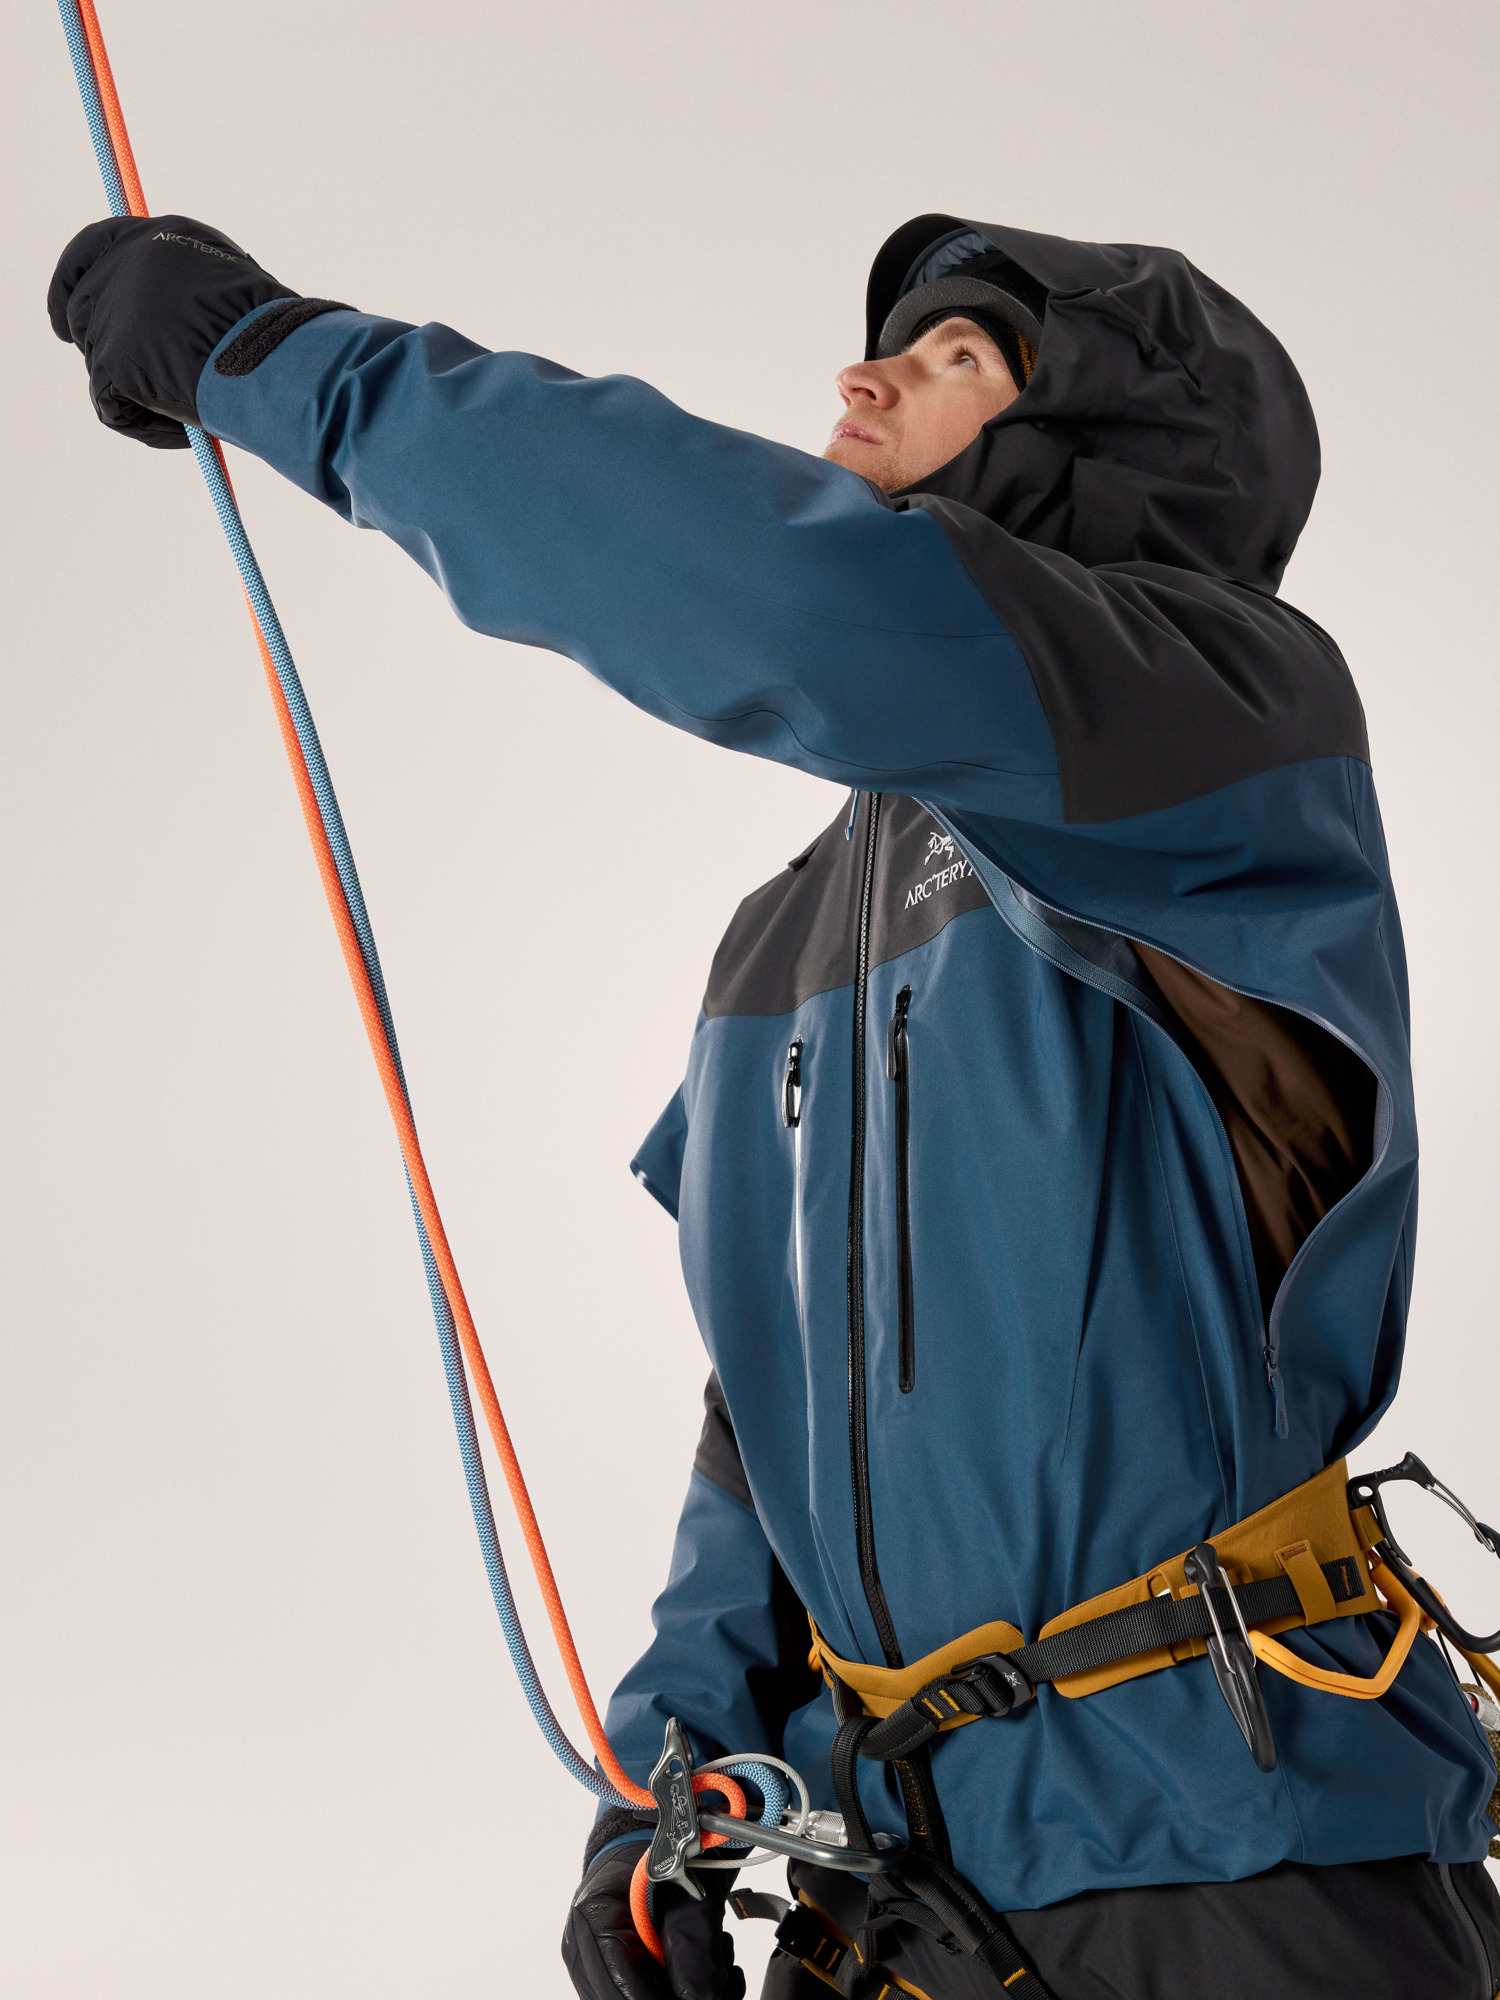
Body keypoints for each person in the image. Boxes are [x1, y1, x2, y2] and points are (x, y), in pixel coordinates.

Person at [49, 210, 1500, 2000]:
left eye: (960, 358)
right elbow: (770, 1417)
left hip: (1233, 1851)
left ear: (1106, 443)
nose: (868, 377)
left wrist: (281, 362)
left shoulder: (1217, 722)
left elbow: (798, 598)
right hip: (902, 1902)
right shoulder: (787, 934)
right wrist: (664, 1781)